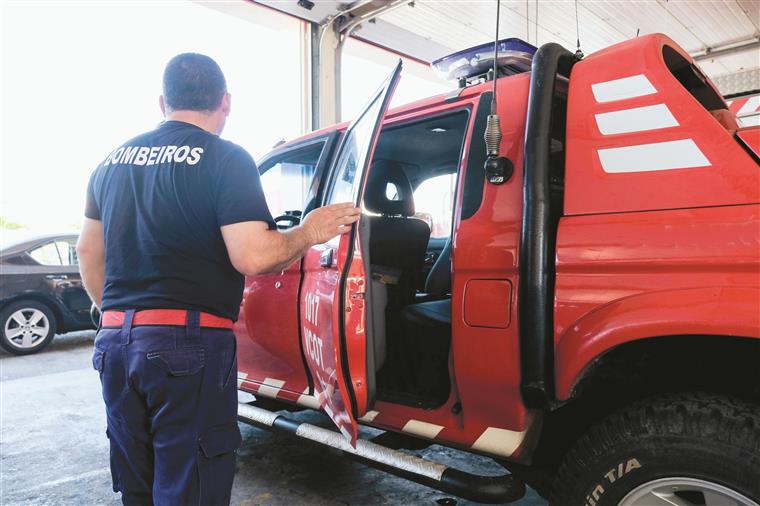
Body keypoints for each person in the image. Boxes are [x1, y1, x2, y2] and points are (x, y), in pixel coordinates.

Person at [76, 53, 360, 506]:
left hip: (114, 346)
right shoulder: (224, 158)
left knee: (138, 484)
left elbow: (88, 251)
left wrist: (115, 317)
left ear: (163, 101)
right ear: (225, 102)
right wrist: (310, 230)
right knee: (191, 487)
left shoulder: (110, 162)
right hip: (185, 349)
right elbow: (252, 255)